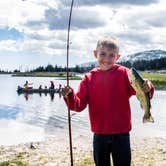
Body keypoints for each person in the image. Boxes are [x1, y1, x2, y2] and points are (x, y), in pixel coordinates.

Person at [61, 37, 154, 166]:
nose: (106, 59)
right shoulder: (88, 79)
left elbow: (142, 90)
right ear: (95, 54)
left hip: (122, 134)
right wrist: (70, 95)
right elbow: (78, 105)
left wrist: (148, 85)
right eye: (102, 54)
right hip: (99, 134)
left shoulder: (125, 74)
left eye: (111, 55)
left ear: (117, 57)